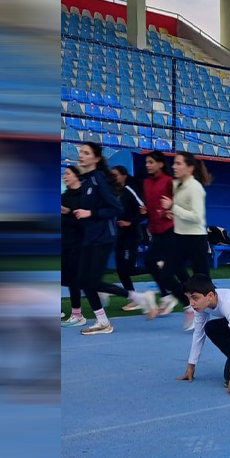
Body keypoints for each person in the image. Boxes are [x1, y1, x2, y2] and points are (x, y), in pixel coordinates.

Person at [70, 142, 157, 335]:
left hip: (103, 237)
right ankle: (116, 313)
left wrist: (89, 213)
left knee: (90, 281)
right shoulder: (86, 179)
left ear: (96, 158)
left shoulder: (99, 179)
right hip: (89, 238)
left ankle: (123, 309)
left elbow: (115, 209)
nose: (81, 155)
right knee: (83, 281)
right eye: (81, 152)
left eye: (86, 153)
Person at [159, 152, 212, 332]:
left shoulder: (195, 187)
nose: (174, 166)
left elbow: (197, 217)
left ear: (189, 168)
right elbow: (181, 210)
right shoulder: (176, 185)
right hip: (179, 237)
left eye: (179, 163)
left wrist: (173, 208)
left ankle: (221, 316)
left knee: (204, 282)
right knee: (166, 275)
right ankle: (189, 306)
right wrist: (171, 213)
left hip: (196, 238)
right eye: (174, 163)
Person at [141, 151, 188, 315]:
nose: (147, 165)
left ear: (160, 164)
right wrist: (146, 211)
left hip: (171, 229)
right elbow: (151, 204)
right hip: (155, 229)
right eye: (146, 162)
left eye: (151, 162)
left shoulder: (169, 181)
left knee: (158, 264)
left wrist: (173, 210)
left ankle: (187, 302)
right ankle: (192, 295)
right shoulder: (146, 183)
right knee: (177, 269)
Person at [109, 165, 146, 309]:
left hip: (131, 235)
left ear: (124, 175)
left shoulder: (130, 190)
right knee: (120, 269)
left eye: (115, 175)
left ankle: (157, 267)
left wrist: (130, 222)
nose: (113, 178)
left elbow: (144, 211)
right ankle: (133, 297)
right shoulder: (116, 192)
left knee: (128, 269)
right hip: (120, 235)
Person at [60, 166, 86, 327]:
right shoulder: (63, 196)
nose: (65, 177)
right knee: (63, 277)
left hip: (79, 242)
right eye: (64, 174)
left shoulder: (84, 197)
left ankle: (77, 314)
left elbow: (84, 223)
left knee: (73, 279)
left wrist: (69, 213)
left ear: (77, 176)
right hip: (64, 241)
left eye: (68, 174)